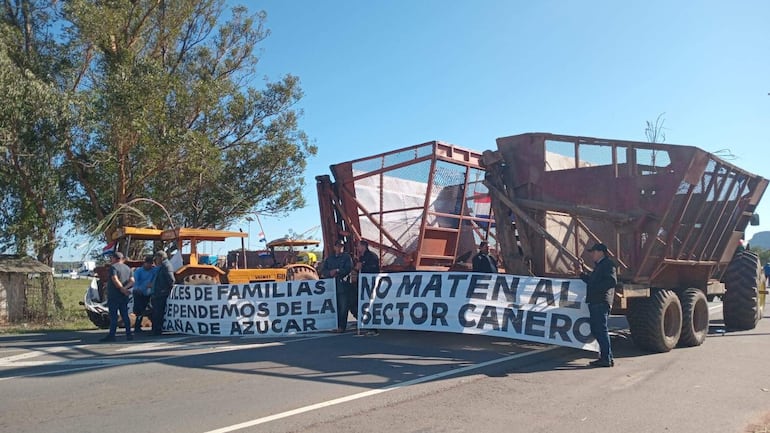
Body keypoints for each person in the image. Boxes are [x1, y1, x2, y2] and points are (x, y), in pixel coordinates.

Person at [579, 243, 617, 367]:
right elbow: (592, 281)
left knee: (601, 330)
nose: (592, 254)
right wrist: (581, 274)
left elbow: (611, 281)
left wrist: (596, 290)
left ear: (601, 252)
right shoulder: (600, 265)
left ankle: (606, 358)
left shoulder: (607, 264)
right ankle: (606, 357)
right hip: (596, 301)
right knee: (597, 330)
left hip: (600, 302)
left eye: (594, 252)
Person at [100, 252, 134, 342]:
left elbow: (114, 279)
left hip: (114, 295)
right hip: (124, 296)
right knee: (125, 315)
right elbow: (132, 281)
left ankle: (112, 335)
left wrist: (121, 288)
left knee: (114, 316)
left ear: (114, 258)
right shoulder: (128, 268)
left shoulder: (113, 267)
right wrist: (126, 288)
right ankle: (129, 334)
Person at [320, 239, 353, 333]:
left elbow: (348, 269)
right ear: (335, 247)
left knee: (343, 307)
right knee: (335, 307)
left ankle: (342, 327)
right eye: (338, 246)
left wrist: (338, 271)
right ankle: (335, 325)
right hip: (332, 287)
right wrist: (330, 273)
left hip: (343, 286)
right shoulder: (330, 258)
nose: (339, 248)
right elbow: (323, 271)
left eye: (341, 246)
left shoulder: (347, 257)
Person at [355, 240, 380, 335]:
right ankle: (368, 324)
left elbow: (374, 269)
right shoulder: (361, 257)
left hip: (371, 284)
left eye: (359, 246)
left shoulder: (372, 256)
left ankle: (374, 328)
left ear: (364, 246)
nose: (358, 248)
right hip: (364, 284)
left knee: (372, 304)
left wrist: (363, 266)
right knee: (365, 304)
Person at [151, 250, 175, 336]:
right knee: (156, 312)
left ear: (161, 258)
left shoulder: (166, 266)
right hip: (158, 292)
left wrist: (166, 290)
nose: (155, 261)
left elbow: (171, 280)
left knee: (159, 312)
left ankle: (157, 330)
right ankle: (155, 329)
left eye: (156, 258)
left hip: (161, 293)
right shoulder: (163, 266)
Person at [132, 255, 157, 334]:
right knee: (139, 311)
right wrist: (138, 289)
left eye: (151, 264)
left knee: (150, 310)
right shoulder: (139, 271)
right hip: (138, 293)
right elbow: (135, 282)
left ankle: (155, 326)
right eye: (148, 263)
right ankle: (137, 326)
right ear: (145, 263)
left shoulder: (153, 270)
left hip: (148, 294)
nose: (150, 265)